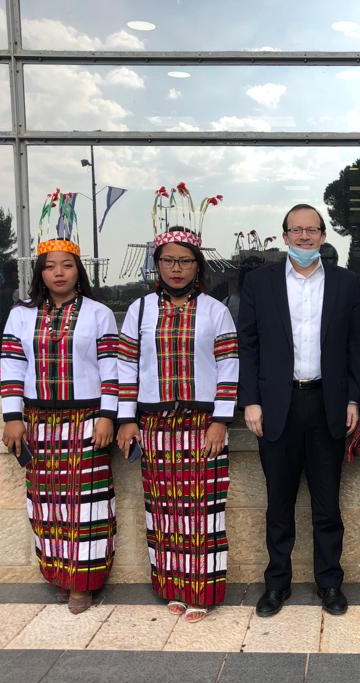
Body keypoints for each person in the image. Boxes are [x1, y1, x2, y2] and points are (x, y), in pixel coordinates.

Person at [116, 184, 237, 622]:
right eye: (168, 260)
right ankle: (171, 586)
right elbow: (125, 367)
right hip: (155, 426)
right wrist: (126, 419)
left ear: (197, 265)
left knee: (203, 509)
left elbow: (229, 366)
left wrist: (221, 420)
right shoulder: (140, 310)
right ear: (158, 264)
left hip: (202, 425)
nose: (176, 268)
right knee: (164, 508)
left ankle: (202, 590)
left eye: (185, 261)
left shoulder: (215, 311)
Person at [239, 203, 360, 617]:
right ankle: (276, 584)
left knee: (327, 505)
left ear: (324, 236)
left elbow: (356, 348)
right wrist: (251, 400)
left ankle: (330, 583)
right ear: (285, 236)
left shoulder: (346, 283)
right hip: (278, 405)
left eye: (312, 230)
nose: (305, 237)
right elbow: (248, 345)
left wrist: (353, 399)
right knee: (279, 504)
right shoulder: (260, 283)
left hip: (327, 404)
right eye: (297, 230)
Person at [0, 191, 118, 614]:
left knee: (87, 504)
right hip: (39, 423)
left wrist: (108, 415)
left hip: (87, 421)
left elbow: (112, 370)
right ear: (40, 273)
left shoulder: (98, 313)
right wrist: (12, 417)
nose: (59, 273)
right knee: (48, 503)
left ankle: (84, 583)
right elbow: (12, 367)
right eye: (50, 266)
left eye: (67, 265)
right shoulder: (21, 314)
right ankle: (58, 573)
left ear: (78, 270)